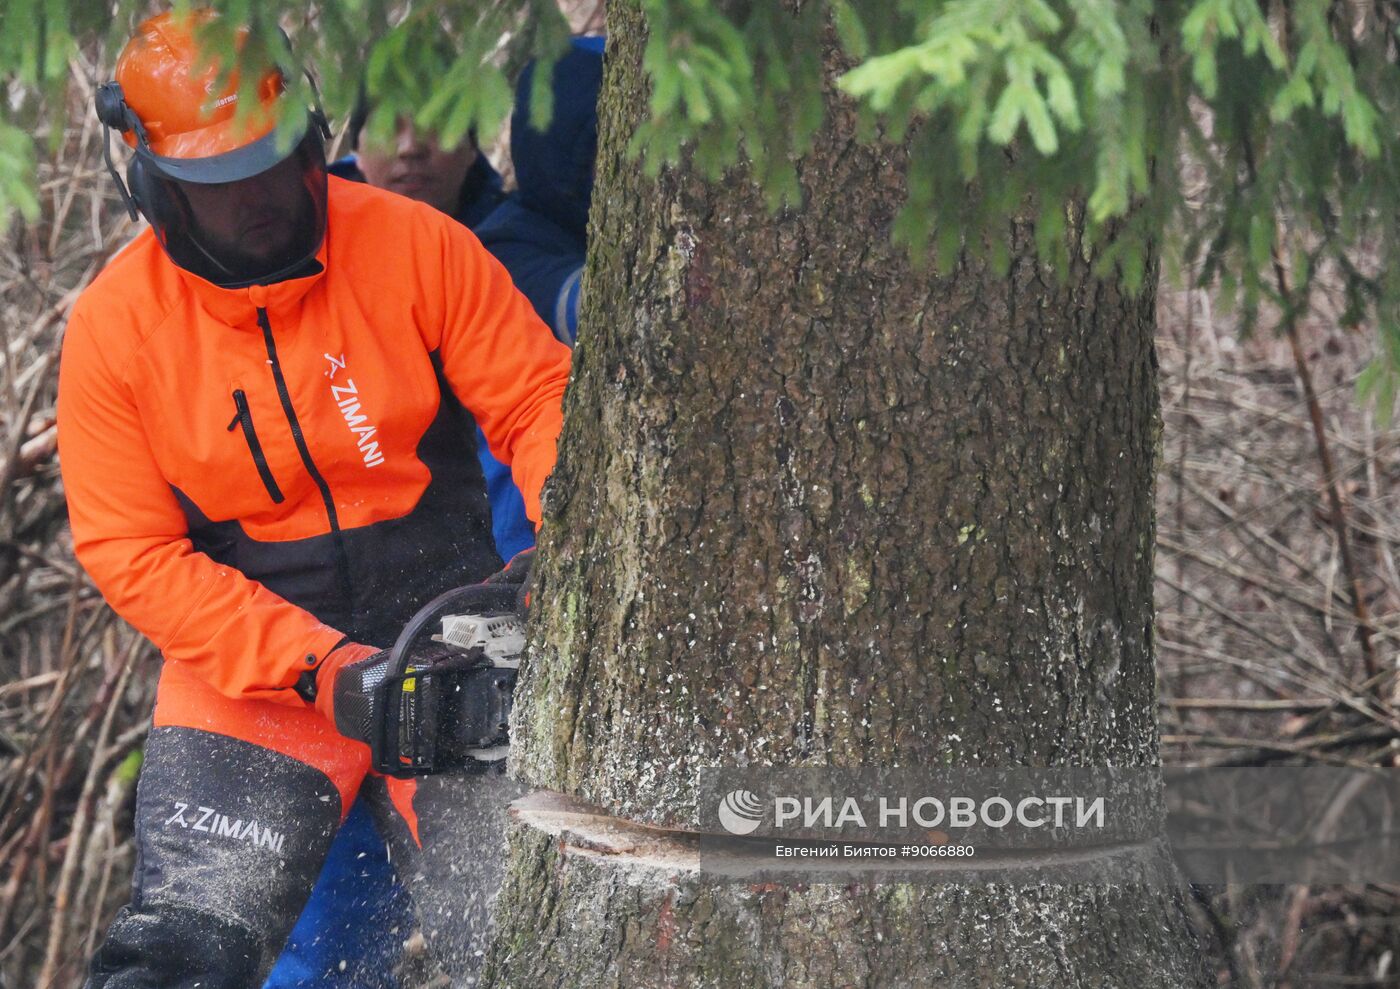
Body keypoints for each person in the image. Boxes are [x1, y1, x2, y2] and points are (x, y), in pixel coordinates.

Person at [58, 11, 571, 988]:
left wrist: (570, 542)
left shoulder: (416, 246)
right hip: (251, 657)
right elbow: (131, 550)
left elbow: (536, 397)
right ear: (158, 189)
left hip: (449, 628)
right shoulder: (116, 331)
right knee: (183, 956)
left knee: (521, 938)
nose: (261, 200)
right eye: (224, 186)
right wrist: (319, 668)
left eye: (274, 165)